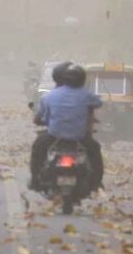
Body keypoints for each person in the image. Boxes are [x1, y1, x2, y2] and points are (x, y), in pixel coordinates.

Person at [29, 63, 104, 191]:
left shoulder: (50, 95)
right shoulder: (86, 95)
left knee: (38, 147)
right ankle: (97, 183)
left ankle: (35, 180)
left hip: (54, 136)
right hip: (80, 137)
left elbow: (41, 117)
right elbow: (98, 103)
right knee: (95, 150)